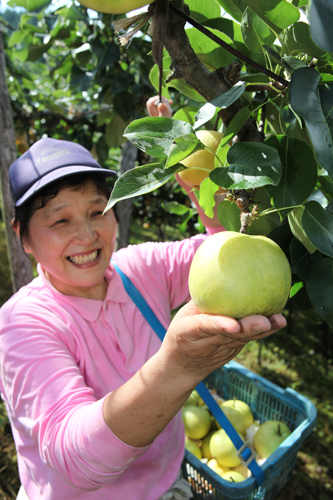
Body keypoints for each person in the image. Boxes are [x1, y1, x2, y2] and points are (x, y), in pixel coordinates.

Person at [0, 97, 286, 500]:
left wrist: (192, 161)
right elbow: (72, 456)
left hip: (167, 485)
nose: (86, 235)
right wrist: (178, 367)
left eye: (97, 211)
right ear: (23, 237)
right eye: (59, 220)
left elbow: (225, 248)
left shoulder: (140, 269)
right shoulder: (21, 324)